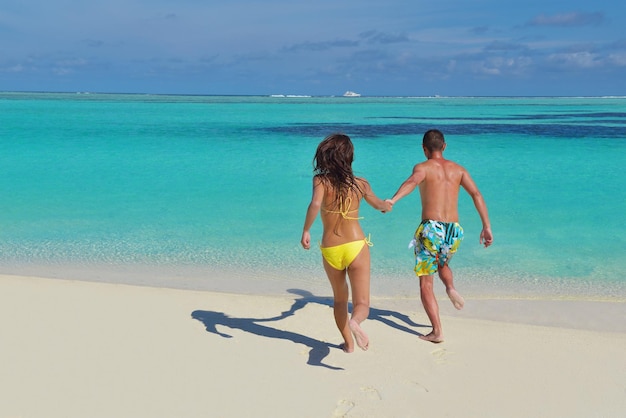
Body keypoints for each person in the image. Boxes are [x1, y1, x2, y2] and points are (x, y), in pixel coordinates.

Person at [387, 129, 493, 343]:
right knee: (442, 264)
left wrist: (393, 199)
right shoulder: (458, 170)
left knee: (426, 283)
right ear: (444, 146)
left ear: (424, 149)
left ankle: (437, 331)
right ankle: (451, 288)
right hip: (453, 230)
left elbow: (412, 182)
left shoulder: (423, 167)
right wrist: (486, 226)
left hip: (431, 229)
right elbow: (476, 194)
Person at [301, 133, 392, 353]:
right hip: (356, 246)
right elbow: (379, 205)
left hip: (331, 248)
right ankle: (356, 323)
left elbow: (315, 205)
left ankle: (348, 344)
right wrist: (387, 205)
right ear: (349, 157)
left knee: (340, 300)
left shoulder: (320, 181)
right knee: (361, 303)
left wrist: (306, 230)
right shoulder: (361, 184)